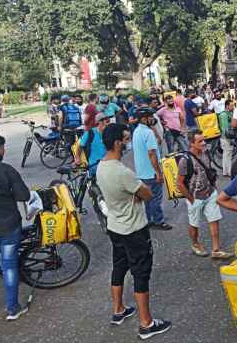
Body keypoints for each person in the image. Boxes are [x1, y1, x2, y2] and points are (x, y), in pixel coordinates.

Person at [96, 124, 171, 339]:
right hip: (134, 230)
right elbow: (146, 194)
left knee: (119, 266)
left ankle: (118, 309)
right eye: (126, 139)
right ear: (118, 142)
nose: (128, 143)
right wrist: (137, 194)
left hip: (115, 227)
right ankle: (146, 323)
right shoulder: (123, 172)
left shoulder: (102, 166)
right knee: (141, 272)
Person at [176, 130, 231, 259]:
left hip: (210, 193)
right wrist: (191, 199)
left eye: (204, 139)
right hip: (195, 197)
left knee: (214, 220)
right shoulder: (185, 160)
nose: (204, 143)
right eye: (200, 141)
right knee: (194, 223)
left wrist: (213, 189)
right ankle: (195, 244)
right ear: (191, 143)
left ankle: (216, 249)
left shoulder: (206, 153)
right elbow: (179, 183)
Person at [0, 135, 31, 321]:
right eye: (2, 148)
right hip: (9, 226)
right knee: (9, 267)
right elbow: (23, 196)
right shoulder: (6, 170)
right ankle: (12, 308)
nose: (4, 151)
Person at [132, 107, 171, 230]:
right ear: (144, 119)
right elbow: (152, 154)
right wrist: (158, 172)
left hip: (142, 172)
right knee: (156, 198)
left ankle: (148, 220)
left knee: (148, 198)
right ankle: (159, 221)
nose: (152, 119)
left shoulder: (137, 131)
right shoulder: (148, 133)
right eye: (150, 117)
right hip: (151, 172)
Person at [218, 99, 235, 177]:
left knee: (226, 155)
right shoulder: (224, 115)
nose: (233, 107)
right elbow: (225, 129)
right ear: (227, 106)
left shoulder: (227, 114)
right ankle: (229, 172)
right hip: (226, 138)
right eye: (231, 105)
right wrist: (230, 140)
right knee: (228, 155)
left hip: (224, 138)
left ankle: (226, 171)